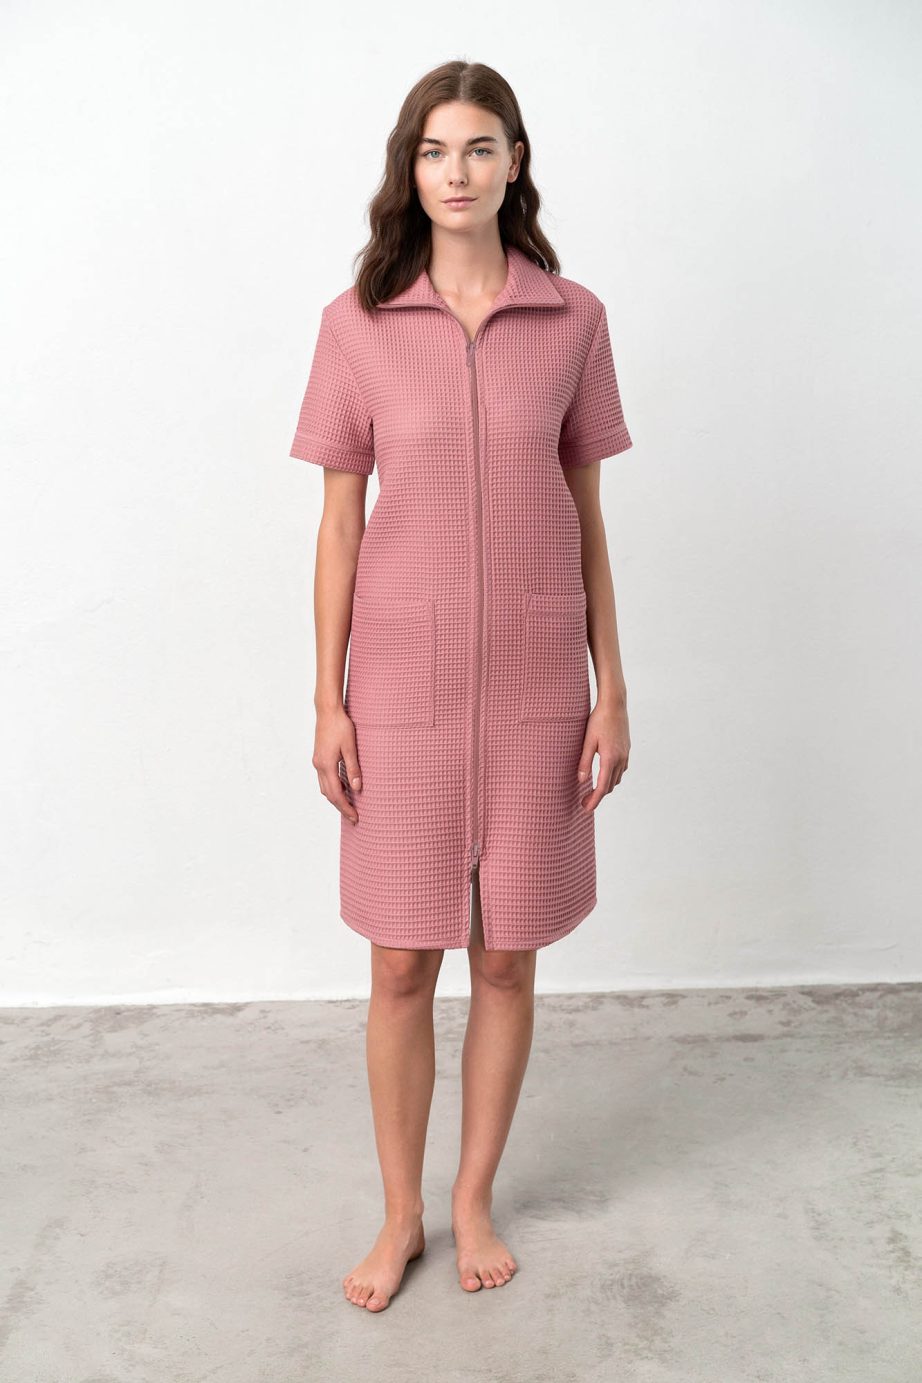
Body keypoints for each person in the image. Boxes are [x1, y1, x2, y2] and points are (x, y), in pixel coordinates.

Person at [289, 60, 635, 1311]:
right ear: (410, 168)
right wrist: (326, 700)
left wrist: (611, 687)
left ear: (513, 164)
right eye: (435, 151)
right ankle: (400, 1216)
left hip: (537, 683)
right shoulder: (358, 323)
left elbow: (585, 515)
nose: (457, 172)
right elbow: (339, 527)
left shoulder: (573, 319)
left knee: (504, 961)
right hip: (399, 687)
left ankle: (472, 1198)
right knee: (399, 965)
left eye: (480, 148)